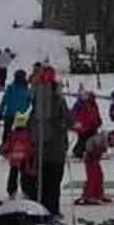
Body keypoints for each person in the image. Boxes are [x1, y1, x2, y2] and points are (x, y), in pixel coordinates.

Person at [26, 73, 73, 217]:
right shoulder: (59, 102)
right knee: (54, 182)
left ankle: (42, 209)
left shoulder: (38, 103)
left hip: (40, 150)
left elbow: (30, 125)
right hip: (56, 149)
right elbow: (69, 121)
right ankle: (53, 210)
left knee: (43, 182)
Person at [74, 131, 114, 206]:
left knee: (99, 176)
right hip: (90, 157)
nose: (111, 146)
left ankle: (98, 193)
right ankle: (89, 195)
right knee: (92, 177)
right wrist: (90, 152)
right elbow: (90, 143)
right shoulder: (99, 139)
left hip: (95, 158)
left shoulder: (103, 140)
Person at [0, 69, 30, 145]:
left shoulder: (15, 87)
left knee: (12, 132)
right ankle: (10, 146)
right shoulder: (24, 88)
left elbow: (5, 99)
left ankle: (9, 146)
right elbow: (28, 101)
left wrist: (1, 110)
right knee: (15, 132)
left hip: (14, 113)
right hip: (17, 114)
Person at [71, 90, 102, 159]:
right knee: (83, 139)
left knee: (89, 139)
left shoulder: (93, 105)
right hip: (84, 126)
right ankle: (78, 151)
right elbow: (83, 116)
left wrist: (98, 121)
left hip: (92, 125)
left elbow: (96, 114)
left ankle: (90, 151)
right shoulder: (83, 105)